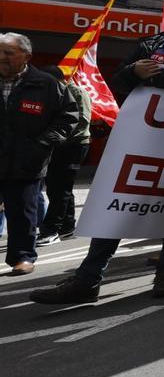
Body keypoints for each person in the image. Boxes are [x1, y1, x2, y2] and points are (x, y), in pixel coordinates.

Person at [32, 0, 164, 303]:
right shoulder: (151, 45)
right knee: (117, 202)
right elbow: (119, 80)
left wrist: (150, 74)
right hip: (139, 141)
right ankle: (88, 279)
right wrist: (135, 72)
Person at [1, 33, 80, 276]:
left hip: (26, 160)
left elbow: (68, 117)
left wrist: (44, 144)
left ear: (26, 56)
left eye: (8, 53)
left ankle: (22, 257)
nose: (2, 58)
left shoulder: (47, 84)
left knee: (22, 211)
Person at [37, 66, 92, 246]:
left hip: (75, 144)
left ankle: (51, 229)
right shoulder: (52, 93)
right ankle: (67, 226)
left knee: (60, 186)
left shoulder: (76, 92)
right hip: (57, 145)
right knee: (57, 185)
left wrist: (58, 136)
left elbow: (82, 120)